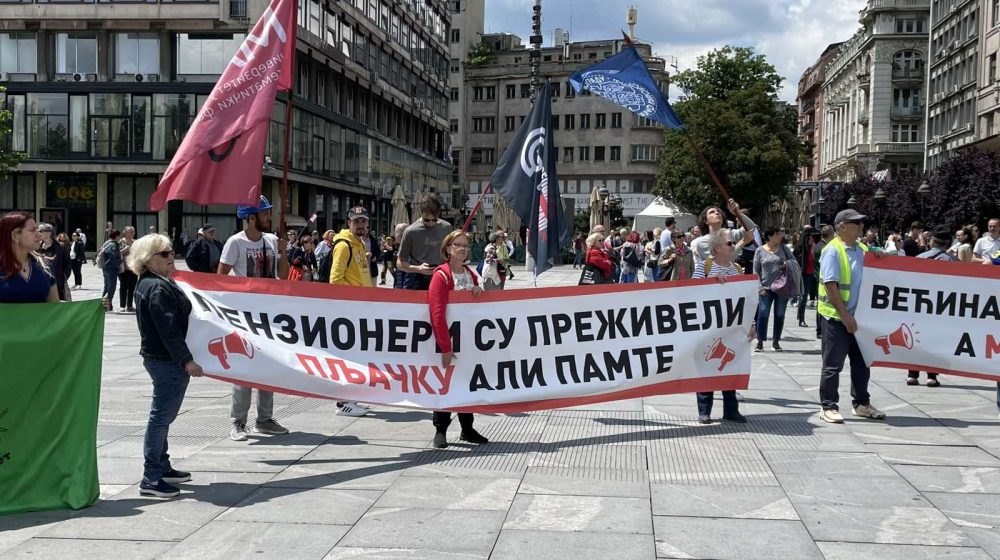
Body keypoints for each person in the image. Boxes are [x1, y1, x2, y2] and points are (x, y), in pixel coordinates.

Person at [128, 234, 203, 498]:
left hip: (158, 358)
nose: (171, 257)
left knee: (163, 417)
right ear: (147, 260)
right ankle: (151, 478)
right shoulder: (157, 288)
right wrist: (187, 361)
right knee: (160, 418)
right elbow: (168, 330)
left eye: (171, 252)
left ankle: (163, 466)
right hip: (166, 360)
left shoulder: (150, 282)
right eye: (164, 254)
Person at [218, 195, 289, 441]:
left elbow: (283, 274)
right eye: (265, 213)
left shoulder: (271, 241)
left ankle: (265, 419)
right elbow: (221, 279)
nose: (269, 217)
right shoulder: (235, 243)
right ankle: (238, 421)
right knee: (244, 368)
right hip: (244, 315)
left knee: (268, 367)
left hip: (269, 314)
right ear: (250, 217)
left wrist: (283, 252)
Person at [818, 209, 887, 424]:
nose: (861, 226)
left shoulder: (862, 248)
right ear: (842, 227)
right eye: (856, 223)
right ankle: (828, 406)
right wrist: (845, 315)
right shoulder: (833, 251)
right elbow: (831, 285)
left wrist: (880, 254)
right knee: (832, 365)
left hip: (860, 318)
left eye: (861, 222)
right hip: (837, 319)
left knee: (862, 363)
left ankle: (861, 404)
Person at [428, 230, 488, 448]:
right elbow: (437, 313)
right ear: (447, 249)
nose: (462, 249)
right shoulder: (441, 275)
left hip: (469, 342)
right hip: (448, 341)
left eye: (465, 245)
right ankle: (440, 430)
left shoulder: (469, 273)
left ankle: (467, 428)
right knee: (445, 385)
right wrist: (445, 346)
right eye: (457, 245)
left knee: (467, 384)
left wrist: (476, 291)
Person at [691, 229, 753, 424]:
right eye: (729, 243)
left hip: (731, 328)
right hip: (708, 326)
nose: (733, 246)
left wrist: (751, 324)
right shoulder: (704, 266)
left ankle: (731, 410)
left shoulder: (736, 268)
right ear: (717, 248)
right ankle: (704, 410)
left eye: (733, 243)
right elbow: (691, 292)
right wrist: (711, 282)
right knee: (706, 366)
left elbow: (745, 300)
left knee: (731, 366)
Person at [907, 228, 958, 387]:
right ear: (947, 243)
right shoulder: (950, 260)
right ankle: (931, 376)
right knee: (933, 340)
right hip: (939, 305)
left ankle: (912, 374)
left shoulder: (920, 257)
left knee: (915, 338)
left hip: (918, 303)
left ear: (932, 241)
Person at [0, 212, 58, 303]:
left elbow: (55, 307)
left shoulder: (44, 265)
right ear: (15, 235)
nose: (39, 235)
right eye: (32, 230)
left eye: (38, 230)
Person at [397, 195, 452, 291]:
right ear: (420, 213)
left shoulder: (446, 227)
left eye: (434, 220)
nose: (430, 223)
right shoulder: (411, 231)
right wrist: (418, 268)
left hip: (442, 275)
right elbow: (400, 262)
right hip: (417, 278)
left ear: (438, 214)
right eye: (426, 220)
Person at [754, 227, 795, 352]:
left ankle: (776, 342)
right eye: (777, 234)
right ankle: (760, 342)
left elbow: (794, 261)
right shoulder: (760, 251)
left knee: (779, 314)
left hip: (782, 287)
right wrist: (759, 287)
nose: (780, 237)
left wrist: (787, 264)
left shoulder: (784, 248)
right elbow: (756, 270)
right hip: (765, 288)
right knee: (763, 313)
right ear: (769, 236)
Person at [691, 199, 758, 266]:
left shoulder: (730, 234)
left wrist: (737, 212)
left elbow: (751, 227)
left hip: (732, 274)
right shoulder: (702, 241)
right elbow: (721, 261)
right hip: (716, 276)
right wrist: (743, 241)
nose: (717, 213)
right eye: (712, 212)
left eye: (718, 212)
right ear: (706, 221)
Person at [37, 222, 70, 301]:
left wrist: (62, 277)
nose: (38, 233)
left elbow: (67, 265)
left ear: (49, 233)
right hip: (41, 283)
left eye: (40, 231)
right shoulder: (37, 247)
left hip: (58, 283)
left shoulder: (60, 246)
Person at [796, 226, 818, 327]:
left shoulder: (813, 247)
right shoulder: (802, 250)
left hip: (813, 275)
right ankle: (801, 319)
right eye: (810, 238)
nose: (812, 240)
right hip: (804, 275)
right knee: (803, 298)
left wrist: (813, 248)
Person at [99, 229, 123, 311]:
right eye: (119, 236)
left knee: (106, 286)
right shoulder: (114, 245)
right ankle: (106, 305)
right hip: (111, 268)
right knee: (111, 288)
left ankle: (105, 305)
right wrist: (120, 261)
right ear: (116, 236)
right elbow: (113, 257)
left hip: (105, 267)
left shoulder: (107, 243)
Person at [118, 226, 138, 312]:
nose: (132, 233)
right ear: (125, 232)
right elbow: (117, 253)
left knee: (132, 287)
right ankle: (122, 305)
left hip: (134, 268)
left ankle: (129, 305)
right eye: (130, 231)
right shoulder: (121, 242)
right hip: (124, 268)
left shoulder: (136, 242)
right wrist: (125, 249)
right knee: (123, 287)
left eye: (133, 231)